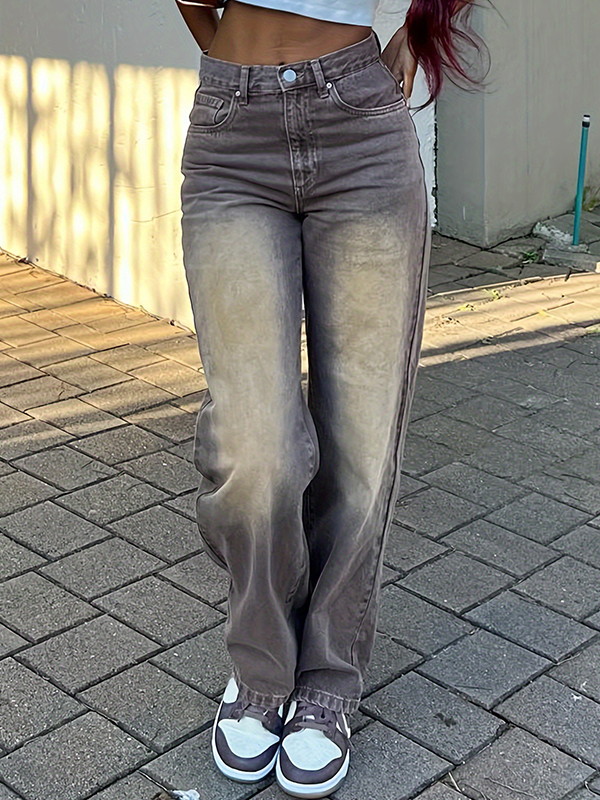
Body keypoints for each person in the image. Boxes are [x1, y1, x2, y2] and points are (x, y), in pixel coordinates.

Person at [175, 1, 480, 796]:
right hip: (232, 138)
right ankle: (262, 665)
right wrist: (237, 70)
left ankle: (328, 679)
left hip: (360, 132)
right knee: (256, 446)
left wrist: (417, 31)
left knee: (361, 440)